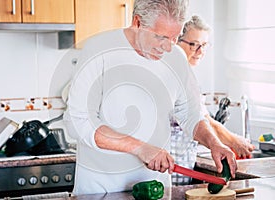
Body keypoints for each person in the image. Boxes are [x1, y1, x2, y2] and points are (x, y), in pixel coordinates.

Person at [64, 0, 237, 195]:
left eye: (174, 38)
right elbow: (78, 121)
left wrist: (214, 143)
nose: (168, 48)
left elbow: (190, 113)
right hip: (102, 189)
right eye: (160, 37)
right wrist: (140, 148)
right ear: (137, 23)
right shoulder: (98, 49)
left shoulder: (177, 57)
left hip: (157, 188)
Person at [177, 15, 255, 158]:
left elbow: (203, 119)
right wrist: (235, 141)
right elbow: (203, 122)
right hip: (173, 165)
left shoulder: (187, 75)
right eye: (194, 44)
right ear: (176, 41)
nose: (200, 51)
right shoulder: (179, 76)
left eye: (204, 45)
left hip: (182, 162)